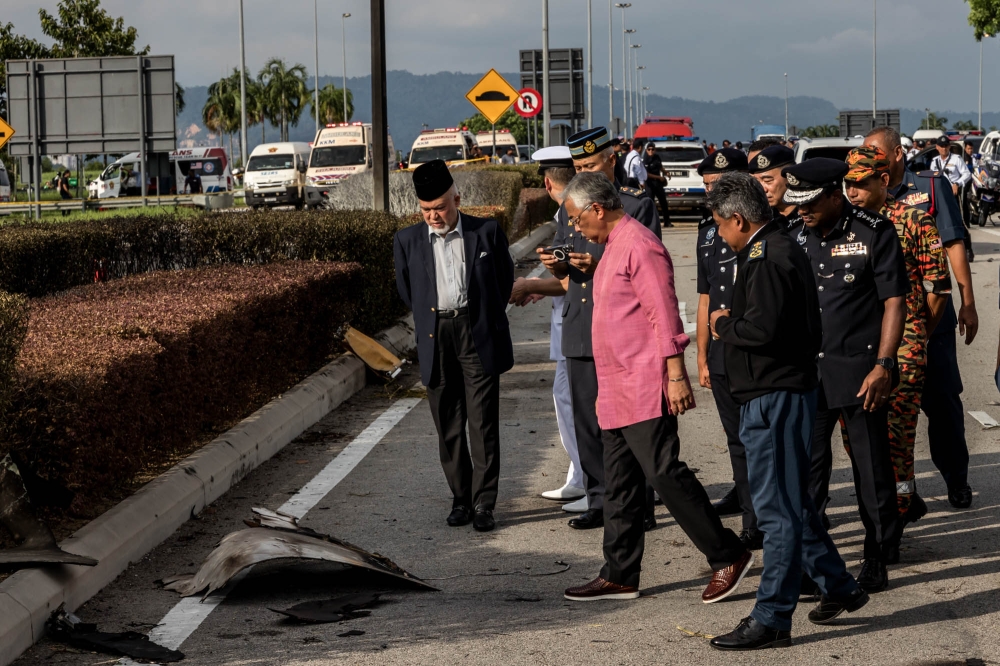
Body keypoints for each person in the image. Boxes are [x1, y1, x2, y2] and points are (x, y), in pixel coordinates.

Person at [560, 172, 752, 603]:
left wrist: (676, 374)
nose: (574, 226)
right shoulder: (609, 248)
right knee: (620, 483)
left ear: (596, 209)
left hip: (644, 382)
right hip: (615, 385)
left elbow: (665, 316)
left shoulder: (641, 245)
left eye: (575, 218)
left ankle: (727, 554)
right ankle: (620, 571)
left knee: (664, 473)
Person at [707, 172, 866, 651]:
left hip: (775, 394)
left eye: (719, 225)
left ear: (738, 218)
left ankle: (773, 616)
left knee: (776, 515)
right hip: (771, 392)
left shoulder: (769, 255)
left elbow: (762, 331)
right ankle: (840, 586)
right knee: (791, 505)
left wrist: (722, 324)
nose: (718, 234)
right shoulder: (767, 249)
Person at [784, 158, 907, 592]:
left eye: (811, 201)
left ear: (835, 195)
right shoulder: (794, 235)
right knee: (809, 471)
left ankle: (877, 554)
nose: (802, 209)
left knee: (872, 469)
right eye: (796, 202)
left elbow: (894, 301)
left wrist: (884, 365)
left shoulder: (874, 232)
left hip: (859, 370)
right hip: (807, 374)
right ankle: (810, 560)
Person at [539, 126, 660, 531]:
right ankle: (598, 499)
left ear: (612, 159)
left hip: (618, 325)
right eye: (577, 166)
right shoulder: (567, 206)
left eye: (590, 165)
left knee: (628, 423)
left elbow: (645, 264)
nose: (583, 172)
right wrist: (558, 264)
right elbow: (563, 261)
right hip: (578, 322)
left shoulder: (635, 205)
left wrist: (600, 265)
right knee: (587, 423)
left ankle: (638, 504)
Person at [393, 159, 514, 533]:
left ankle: (483, 503)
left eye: (440, 207)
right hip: (435, 335)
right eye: (426, 209)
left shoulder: (486, 232)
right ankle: (460, 499)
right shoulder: (407, 240)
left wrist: (482, 318)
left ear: (456, 198)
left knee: (482, 422)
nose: (434, 216)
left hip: (475, 332)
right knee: (447, 423)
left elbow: (503, 281)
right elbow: (406, 290)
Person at [864, 127, 976, 508]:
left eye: (874, 151)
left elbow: (953, 242)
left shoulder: (928, 187)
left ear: (896, 154)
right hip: (883, 328)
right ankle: (901, 496)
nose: (868, 157)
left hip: (933, 322)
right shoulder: (863, 198)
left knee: (942, 405)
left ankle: (956, 479)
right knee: (891, 418)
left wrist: (968, 301)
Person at [843, 145, 951, 532]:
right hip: (854, 347)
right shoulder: (844, 224)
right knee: (856, 441)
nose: (852, 192)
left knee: (897, 439)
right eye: (848, 184)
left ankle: (898, 515)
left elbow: (937, 287)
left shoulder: (914, 221)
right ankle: (884, 506)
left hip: (902, 348)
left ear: (884, 180)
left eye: (860, 184)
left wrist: (916, 334)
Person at [510, 147, 586, 508]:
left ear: (546, 182)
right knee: (566, 398)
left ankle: (591, 478)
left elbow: (576, 279)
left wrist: (530, 286)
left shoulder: (572, 214)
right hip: (566, 322)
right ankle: (581, 474)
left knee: (574, 401)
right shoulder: (565, 213)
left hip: (578, 325)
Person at [694, 148, 761, 549]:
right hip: (721, 356)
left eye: (721, 183)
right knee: (737, 441)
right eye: (708, 184)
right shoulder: (708, 231)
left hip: (755, 353)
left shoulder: (764, 231)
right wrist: (701, 356)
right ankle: (751, 518)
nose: (713, 189)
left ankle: (765, 517)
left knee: (761, 442)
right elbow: (705, 296)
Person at [748, 145, 799, 230]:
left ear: (789, 177)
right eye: (757, 182)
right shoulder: (761, 220)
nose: (763, 189)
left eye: (768, 181)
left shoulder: (810, 215)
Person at [642, 142, 672, 227]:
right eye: (649, 149)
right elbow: (646, 174)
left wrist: (666, 172)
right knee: (650, 203)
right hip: (650, 184)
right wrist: (659, 177)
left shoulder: (657, 157)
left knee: (663, 202)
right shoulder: (645, 160)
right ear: (646, 150)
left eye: (652, 149)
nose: (651, 151)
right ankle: (649, 223)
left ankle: (667, 221)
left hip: (658, 184)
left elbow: (660, 166)